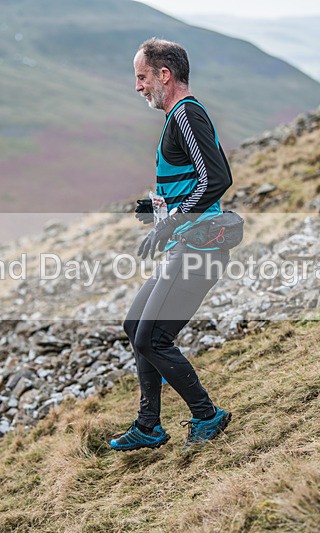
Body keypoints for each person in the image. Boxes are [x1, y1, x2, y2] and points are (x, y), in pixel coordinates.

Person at [109, 38, 233, 452]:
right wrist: (160, 209)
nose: (138, 87)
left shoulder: (186, 115)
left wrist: (172, 223)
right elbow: (205, 177)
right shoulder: (180, 118)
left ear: (164, 75)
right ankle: (149, 426)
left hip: (201, 249)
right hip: (188, 245)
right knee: (135, 326)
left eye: (142, 77)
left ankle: (206, 415)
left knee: (152, 338)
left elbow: (217, 179)